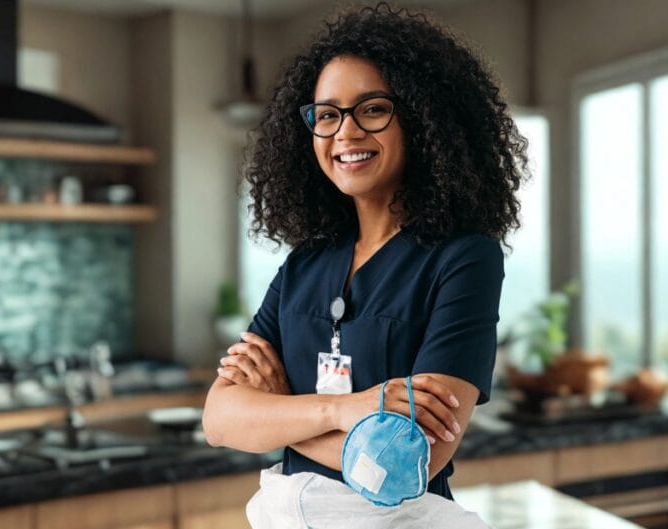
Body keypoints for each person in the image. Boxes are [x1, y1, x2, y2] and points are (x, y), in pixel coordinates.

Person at [201, 1, 527, 515]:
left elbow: (412, 464)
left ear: (421, 119)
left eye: (372, 109)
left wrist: (279, 413)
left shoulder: (464, 259)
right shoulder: (304, 264)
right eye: (327, 115)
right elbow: (219, 420)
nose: (345, 133)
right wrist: (343, 411)